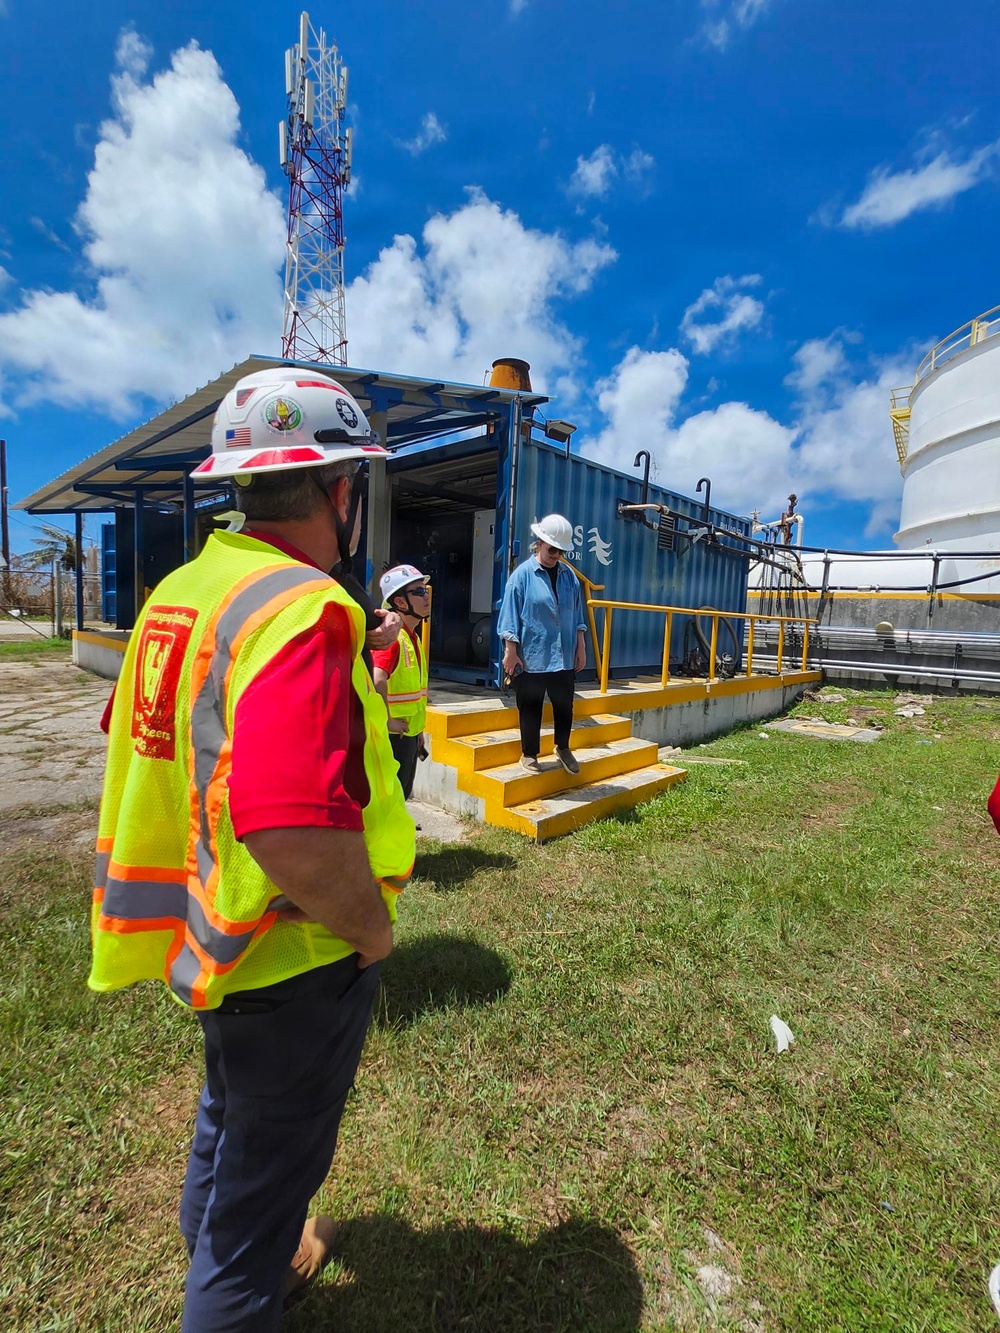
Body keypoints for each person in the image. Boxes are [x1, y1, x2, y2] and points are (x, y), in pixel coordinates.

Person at [88, 367, 415, 1333]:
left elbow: (135, 725)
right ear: (339, 492)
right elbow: (283, 822)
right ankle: (232, 1275)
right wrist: (372, 930)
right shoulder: (304, 609)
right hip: (290, 948)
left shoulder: (181, 593)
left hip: (208, 935)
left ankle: (209, 1234)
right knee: (260, 1209)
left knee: (229, 1107)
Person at [497, 513, 588, 775]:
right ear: (539, 542)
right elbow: (509, 616)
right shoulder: (522, 576)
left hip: (563, 655)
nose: (556, 554)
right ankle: (529, 754)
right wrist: (510, 652)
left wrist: (580, 647)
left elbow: (577, 614)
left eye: (560, 550)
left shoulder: (569, 577)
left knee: (564, 705)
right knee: (530, 706)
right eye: (552, 549)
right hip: (532, 655)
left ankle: (563, 747)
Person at [371, 564, 431, 800]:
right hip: (393, 738)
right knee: (392, 801)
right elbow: (377, 679)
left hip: (407, 735)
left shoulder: (412, 637)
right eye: (418, 592)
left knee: (402, 796)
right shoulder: (395, 638)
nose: (426, 596)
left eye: (425, 590)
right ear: (401, 602)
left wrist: (418, 732)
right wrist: (387, 721)